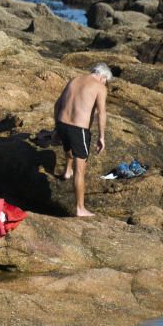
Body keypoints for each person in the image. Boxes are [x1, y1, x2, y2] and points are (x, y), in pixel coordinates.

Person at [53, 63, 111, 217]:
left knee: (69, 148)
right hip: (78, 130)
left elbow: (57, 104)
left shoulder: (75, 79)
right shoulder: (100, 87)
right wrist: (101, 137)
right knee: (80, 171)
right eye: (106, 81)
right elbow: (101, 113)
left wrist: (56, 129)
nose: (105, 84)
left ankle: (66, 171)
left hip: (62, 123)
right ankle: (80, 208)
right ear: (103, 77)